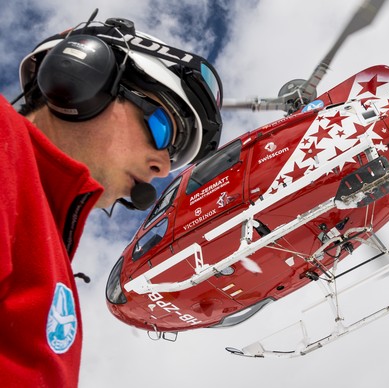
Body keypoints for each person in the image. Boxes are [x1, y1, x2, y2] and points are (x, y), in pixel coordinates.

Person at [0, 13, 223, 387]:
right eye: (162, 128)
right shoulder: (5, 145)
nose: (162, 167)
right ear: (81, 76)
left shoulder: (46, 238)